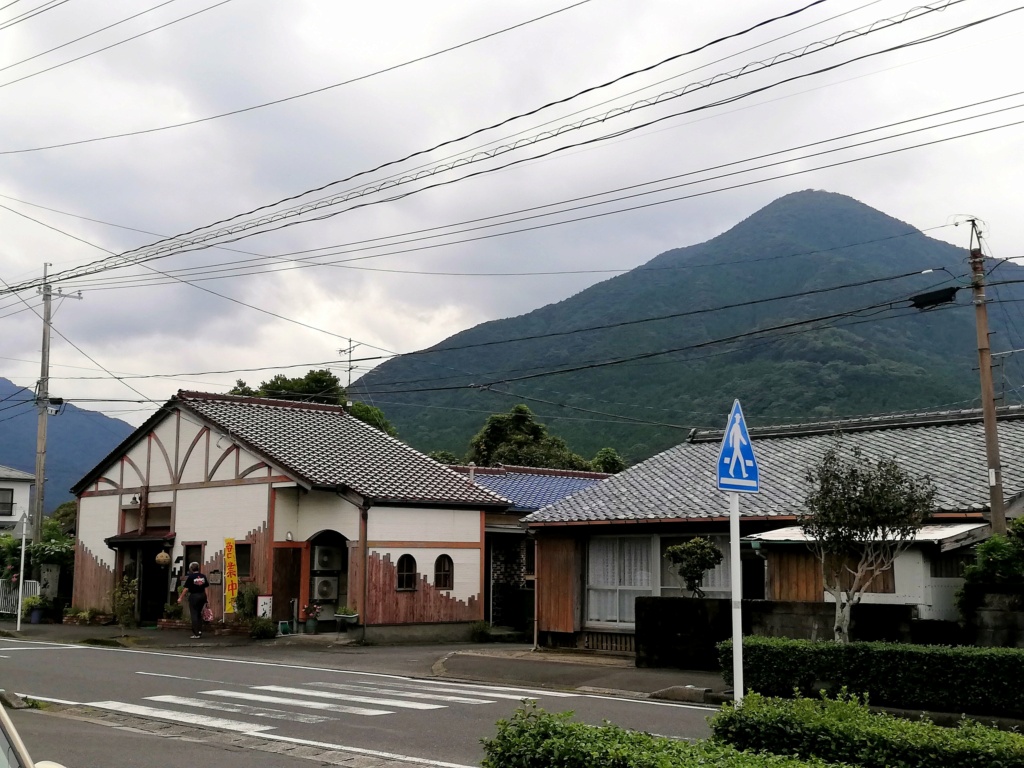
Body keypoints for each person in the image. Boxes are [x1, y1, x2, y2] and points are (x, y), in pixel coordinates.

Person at [181, 561, 209, 639]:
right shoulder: (203, 576)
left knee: (194, 614)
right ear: (198, 568)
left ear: (191, 569)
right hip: (202, 596)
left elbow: (186, 589)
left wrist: (180, 598)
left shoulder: (191, 577)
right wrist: (207, 598)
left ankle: (196, 633)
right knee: (199, 614)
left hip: (194, 596)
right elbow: (206, 588)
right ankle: (199, 631)